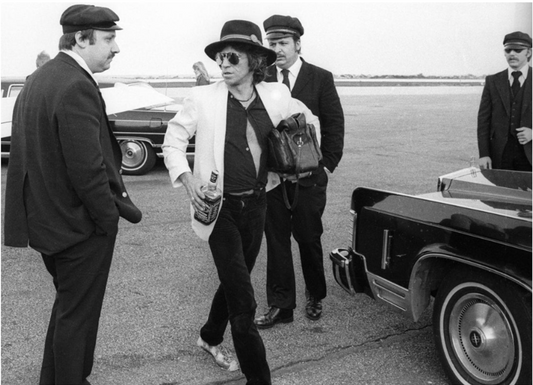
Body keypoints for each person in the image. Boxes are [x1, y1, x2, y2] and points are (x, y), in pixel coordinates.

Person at [162, 19, 319, 385]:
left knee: (236, 280)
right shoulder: (203, 98)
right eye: (220, 57)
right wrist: (188, 181)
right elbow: (173, 139)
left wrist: (301, 155)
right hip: (220, 211)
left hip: (259, 205)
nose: (224, 63)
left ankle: (209, 336)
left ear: (253, 60)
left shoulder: (276, 95)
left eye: (232, 56)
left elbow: (308, 122)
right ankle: (258, 378)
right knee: (244, 302)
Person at [3, 5, 142, 384]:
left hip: (48, 223)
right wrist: (107, 221)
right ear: (81, 39)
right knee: (78, 319)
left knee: (68, 310)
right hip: (77, 227)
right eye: (109, 39)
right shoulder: (75, 84)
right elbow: (88, 168)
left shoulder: (40, 78)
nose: (116, 48)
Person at [255, 15, 345, 329]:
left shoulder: (320, 77)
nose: (276, 49)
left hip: (309, 178)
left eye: (282, 43)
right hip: (273, 179)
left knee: (308, 237)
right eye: (272, 43)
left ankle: (315, 295)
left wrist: (326, 165)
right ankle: (282, 306)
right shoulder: (261, 77)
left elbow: (334, 123)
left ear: (297, 43)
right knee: (276, 240)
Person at [477, 31, 532, 171]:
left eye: (518, 50)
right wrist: (484, 154)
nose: (512, 54)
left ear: (529, 52)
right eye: (508, 50)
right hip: (500, 156)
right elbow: (483, 121)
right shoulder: (493, 81)